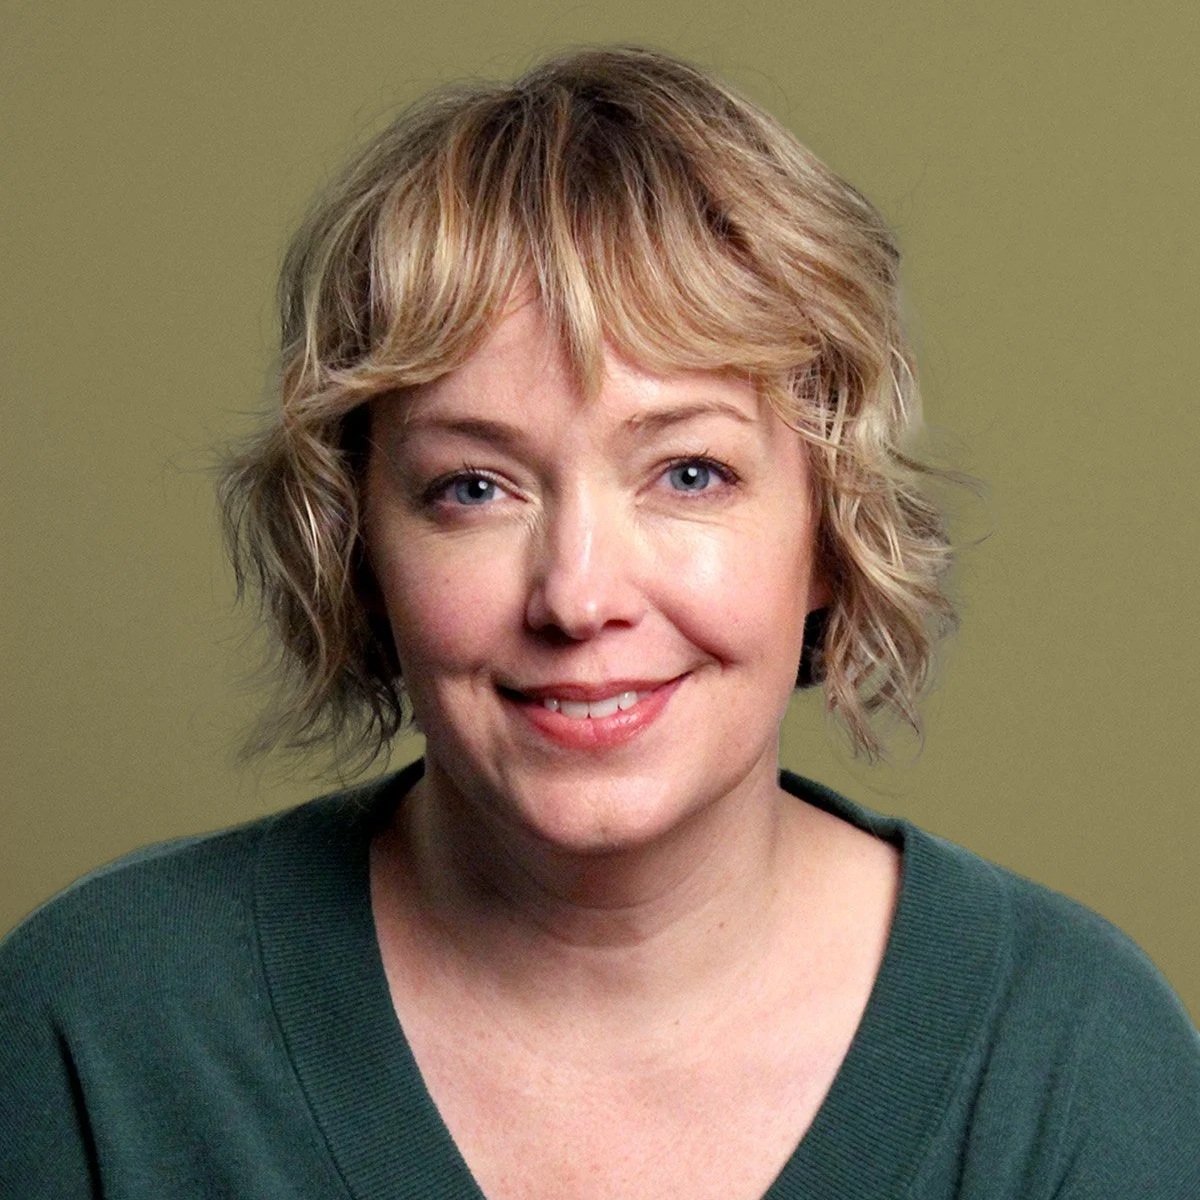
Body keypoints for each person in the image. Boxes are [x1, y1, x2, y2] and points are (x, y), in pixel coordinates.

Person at [2, 43, 1197, 1200]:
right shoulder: (102, 1028)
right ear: (359, 545)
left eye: (689, 474)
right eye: (473, 487)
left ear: (831, 531)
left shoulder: (1070, 1062)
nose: (578, 597)